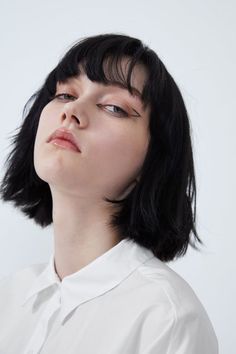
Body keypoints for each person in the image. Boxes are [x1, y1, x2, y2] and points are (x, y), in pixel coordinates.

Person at [0, 33, 218, 353]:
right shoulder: (10, 296)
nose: (72, 110)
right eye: (64, 94)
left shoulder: (166, 320)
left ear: (154, 160)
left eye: (114, 107)